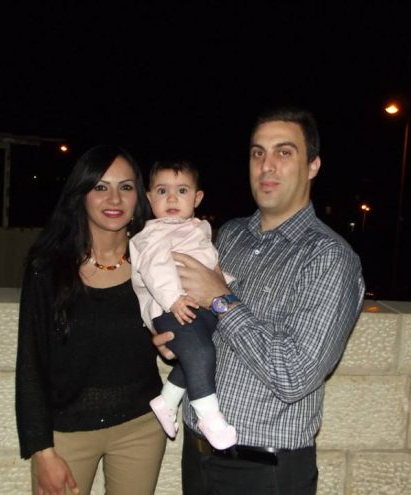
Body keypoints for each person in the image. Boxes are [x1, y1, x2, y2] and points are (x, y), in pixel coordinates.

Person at [153, 107, 365, 495]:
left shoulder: (329, 257)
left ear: (313, 165)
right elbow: (199, 316)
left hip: (264, 470)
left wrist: (221, 298)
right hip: (197, 455)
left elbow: (294, 376)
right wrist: (175, 335)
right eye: (257, 153)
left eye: (284, 152)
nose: (267, 166)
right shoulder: (229, 235)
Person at [15, 145, 166, 495]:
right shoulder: (48, 266)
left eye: (125, 187)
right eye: (100, 186)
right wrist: (42, 451)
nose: (114, 198)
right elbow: (31, 361)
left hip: (141, 428)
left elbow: (186, 323)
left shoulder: (155, 262)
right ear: (81, 193)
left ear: (139, 197)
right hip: (65, 435)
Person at [130, 160, 237, 450]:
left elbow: (207, 264)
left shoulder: (196, 227)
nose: (172, 198)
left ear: (197, 198)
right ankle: (209, 417)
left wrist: (225, 285)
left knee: (199, 353)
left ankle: (166, 401)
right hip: (170, 307)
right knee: (200, 352)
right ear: (149, 197)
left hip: (199, 305)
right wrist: (173, 299)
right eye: (162, 191)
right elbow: (156, 267)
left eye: (181, 191)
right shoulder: (153, 233)